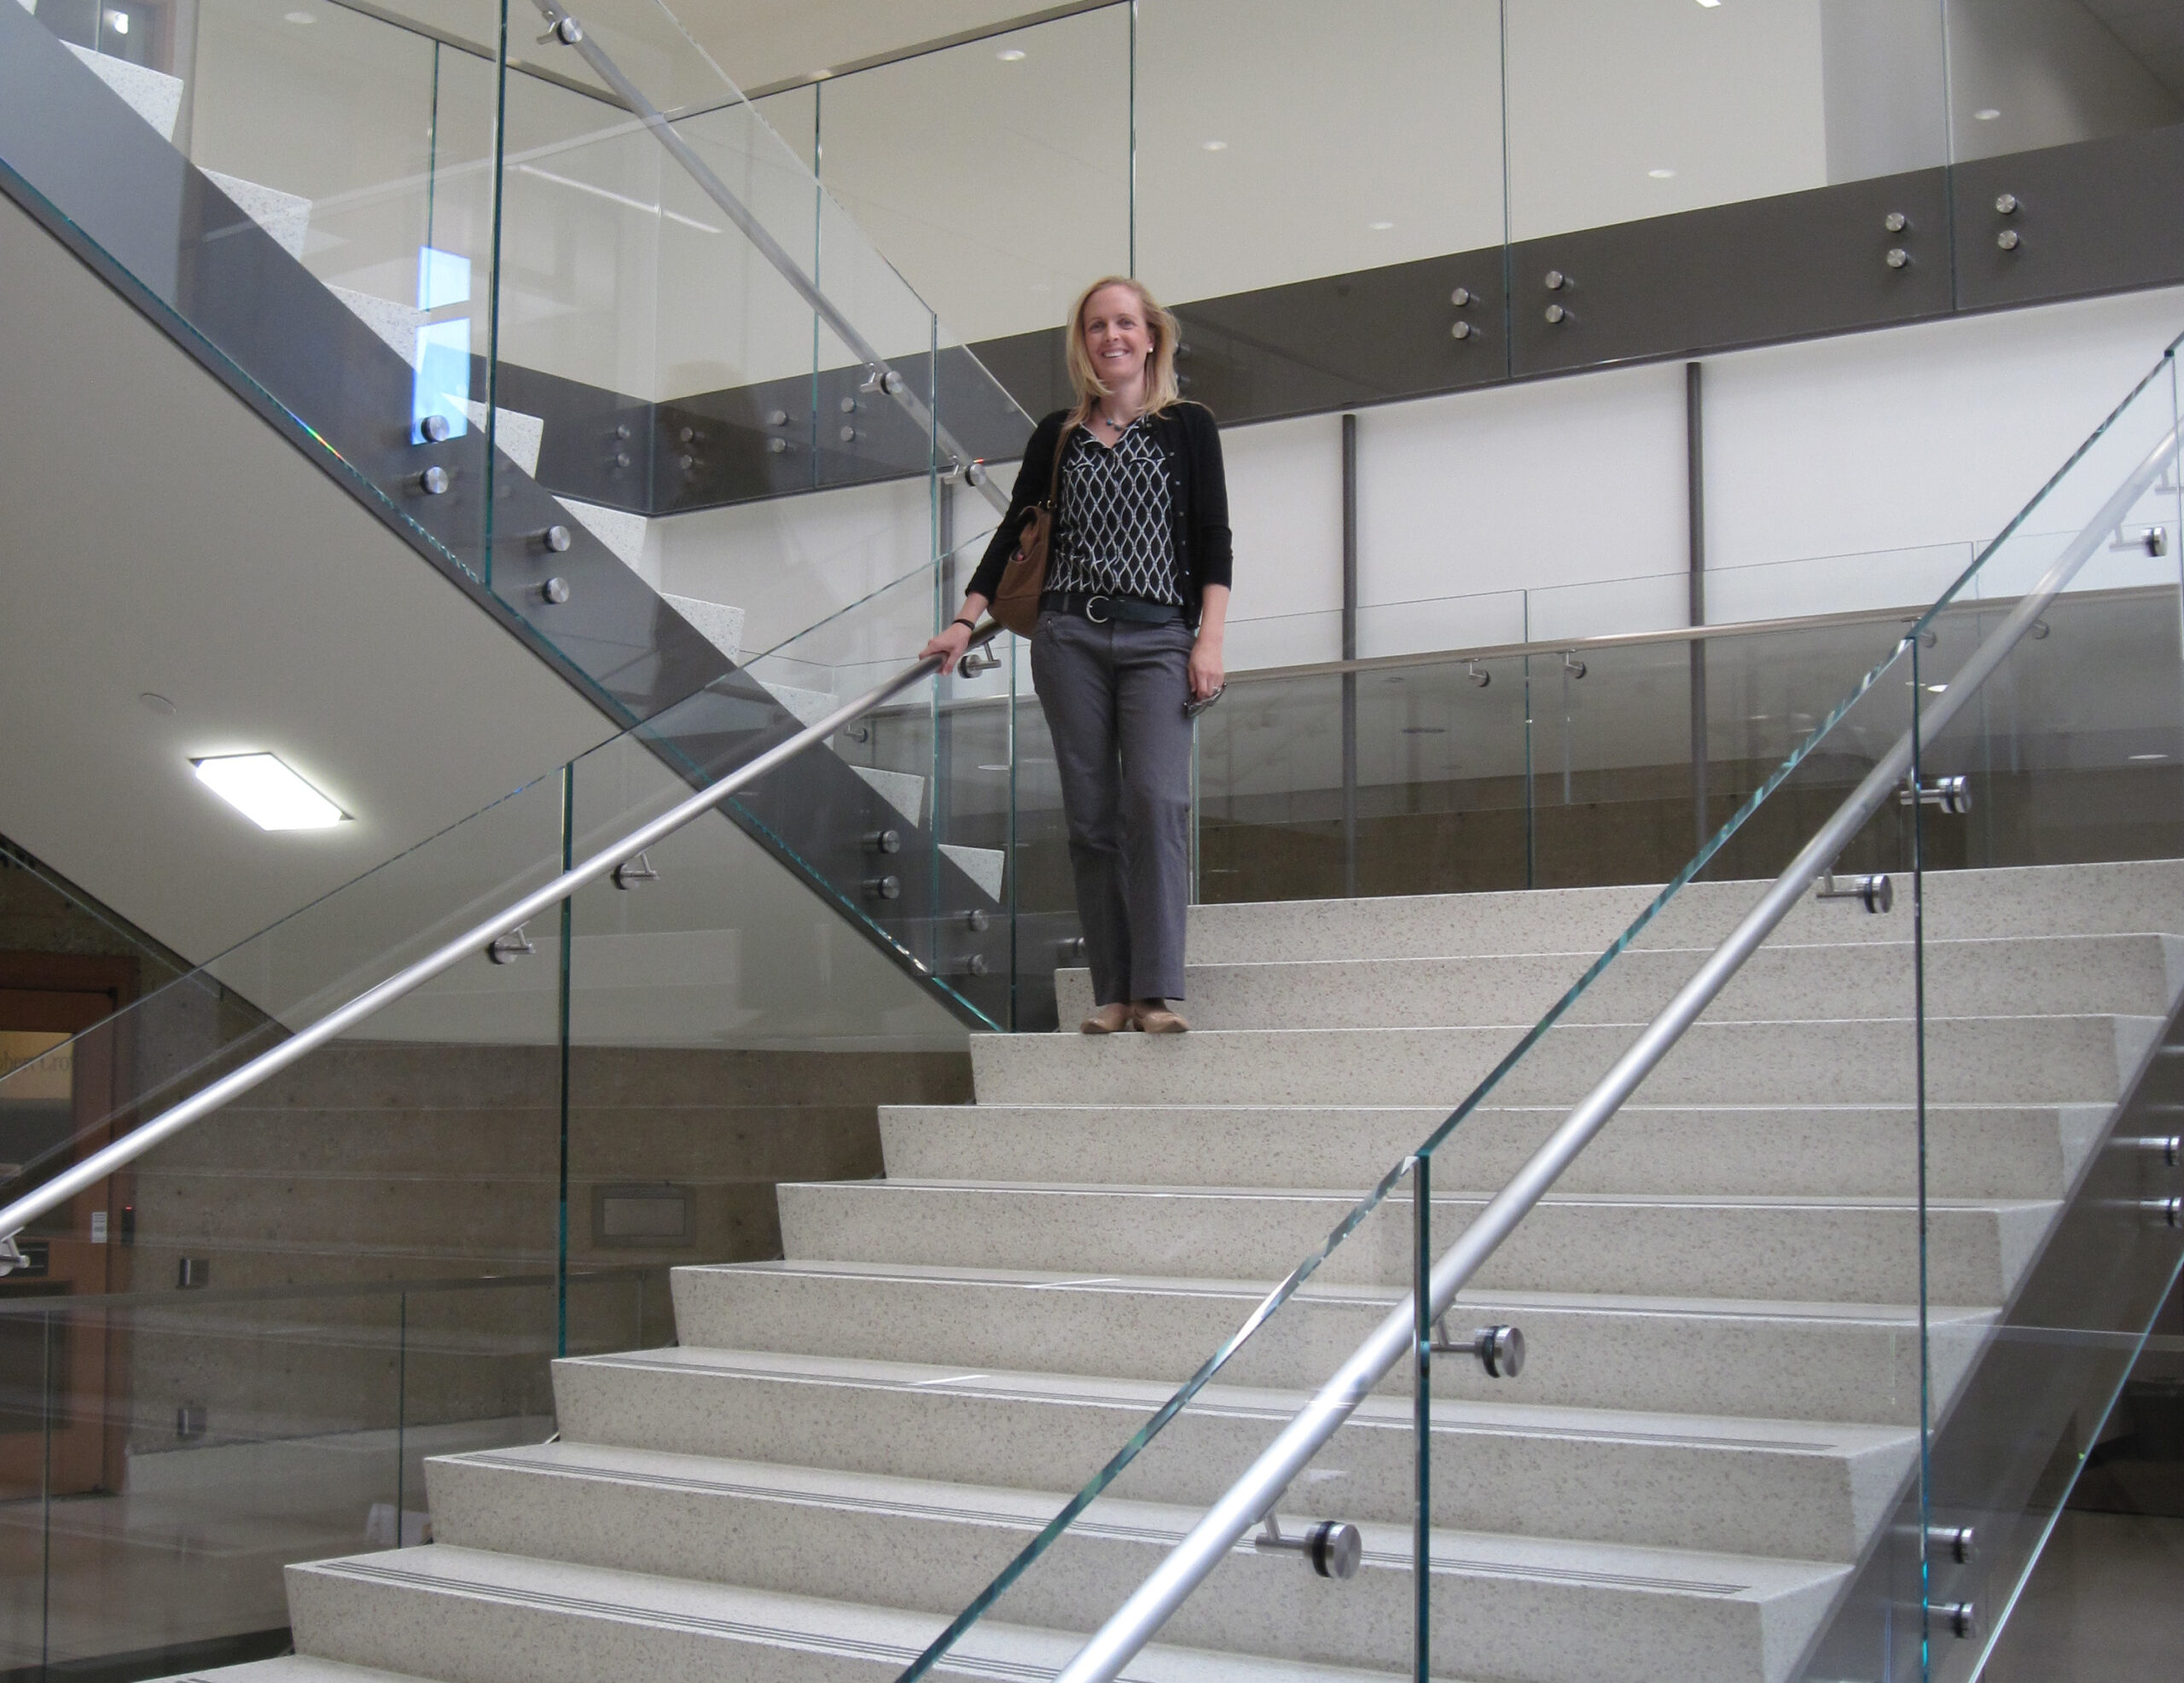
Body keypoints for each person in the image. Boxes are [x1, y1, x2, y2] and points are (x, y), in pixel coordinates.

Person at [923, 276, 1230, 1034]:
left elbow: (1215, 539)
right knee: (1091, 820)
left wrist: (1210, 639)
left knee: (1157, 803)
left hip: (1160, 636)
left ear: (1151, 336)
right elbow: (1013, 536)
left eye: (1125, 323)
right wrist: (965, 620)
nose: (1112, 337)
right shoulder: (1057, 434)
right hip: (1069, 638)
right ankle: (1113, 991)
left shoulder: (1189, 426)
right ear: (1083, 342)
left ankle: (1157, 992)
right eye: (1097, 326)